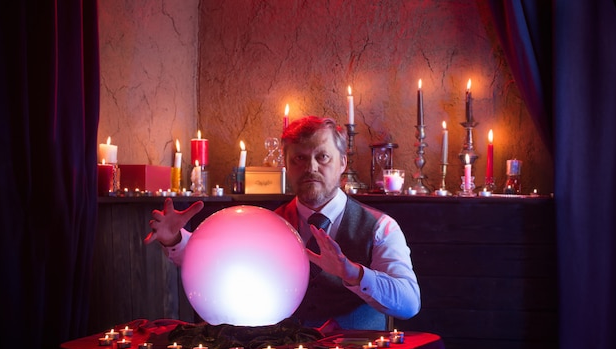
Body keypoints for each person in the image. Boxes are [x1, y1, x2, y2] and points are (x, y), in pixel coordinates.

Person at [145, 116, 421, 330]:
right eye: (299, 158)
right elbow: (214, 263)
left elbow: (409, 303)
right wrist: (175, 239)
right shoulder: (268, 224)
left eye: (322, 157)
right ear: (287, 166)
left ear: (342, 163)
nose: (311, 168)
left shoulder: (380, 227)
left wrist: (353, 273)